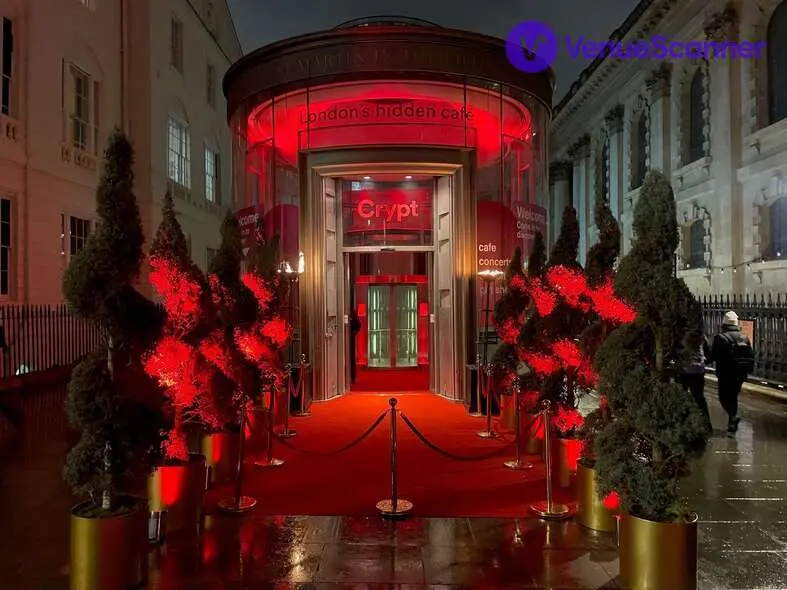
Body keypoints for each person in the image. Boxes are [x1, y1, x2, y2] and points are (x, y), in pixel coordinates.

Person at [707, 311, 754, 434]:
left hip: (725, 373)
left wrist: (704, 362)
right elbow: (750, 355)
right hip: (740, 374)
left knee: (723, 398)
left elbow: (713, 355)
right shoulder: (744, 337)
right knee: (733, 397)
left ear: (724, 324)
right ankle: (731, 424)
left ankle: (732, 418)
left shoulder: (720, 338)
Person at [677, 331, 712, 434]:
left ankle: (680, 423)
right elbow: (708, 352)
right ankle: (706, 425)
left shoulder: (680, 335)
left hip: (684, 371)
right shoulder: (702, 336)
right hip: (698, 371)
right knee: (699, 398)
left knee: (680, 396)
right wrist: (703, 362)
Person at [349, 308, 361, 384]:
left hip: (350, 341)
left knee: (351, 358)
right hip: (342, 341)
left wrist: (352, 334)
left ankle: (352, 377)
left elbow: (358, 325)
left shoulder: (352, 312)